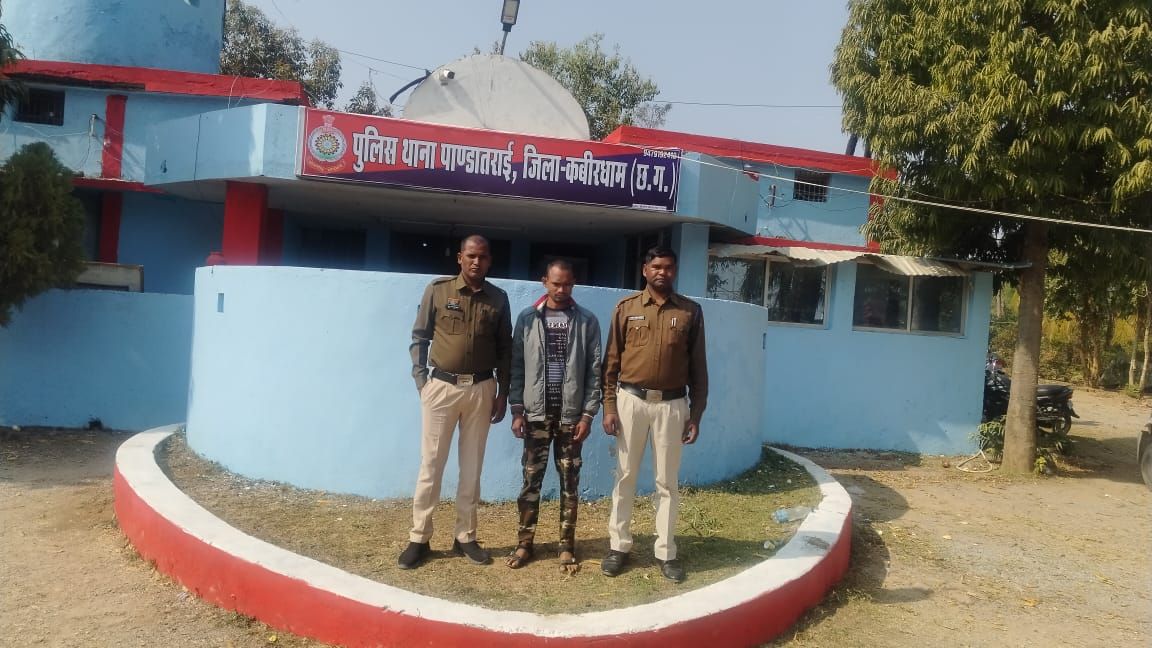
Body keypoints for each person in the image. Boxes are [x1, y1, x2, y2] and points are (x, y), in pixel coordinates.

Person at [399, 235, 512, 570]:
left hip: (481, 389)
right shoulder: (438, 290)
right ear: (460, 258)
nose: (477, 262)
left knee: (472, 467)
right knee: (431, 465)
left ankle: (465, 536)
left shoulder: (498, 298)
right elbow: (420, 337)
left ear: (490, 261)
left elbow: (505, 350)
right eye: (471, 256)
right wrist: (422, 381)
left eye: (483, 257)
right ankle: (419, 537)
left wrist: (502, 392)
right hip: (441, 388)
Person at [600, 246, 708, 583]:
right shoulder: (626, 308)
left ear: (675, 271)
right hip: (631, 401)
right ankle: (619, 546)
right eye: (657, 266)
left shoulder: (690, 311)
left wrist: (696, 414)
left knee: (667, 482)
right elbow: (610, 364)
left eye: (669, 267)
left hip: (672, 406)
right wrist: (609, 407)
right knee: (625, 476)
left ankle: (666, 551)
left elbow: (699, 369)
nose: (663, 272)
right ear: (645, 270)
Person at [506, 260, 602, 574]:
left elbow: (594, 372)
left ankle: (566, 545)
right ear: (544, 281)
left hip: (570, 418)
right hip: (536, 415)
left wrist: (587, 415)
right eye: (556, 283)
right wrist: (517, 410)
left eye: (568, 284)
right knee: (530, 482)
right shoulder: (528, 319)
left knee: (569, 484)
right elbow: (516, 367)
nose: (562, 290)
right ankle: (524, 543)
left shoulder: (587, 321)